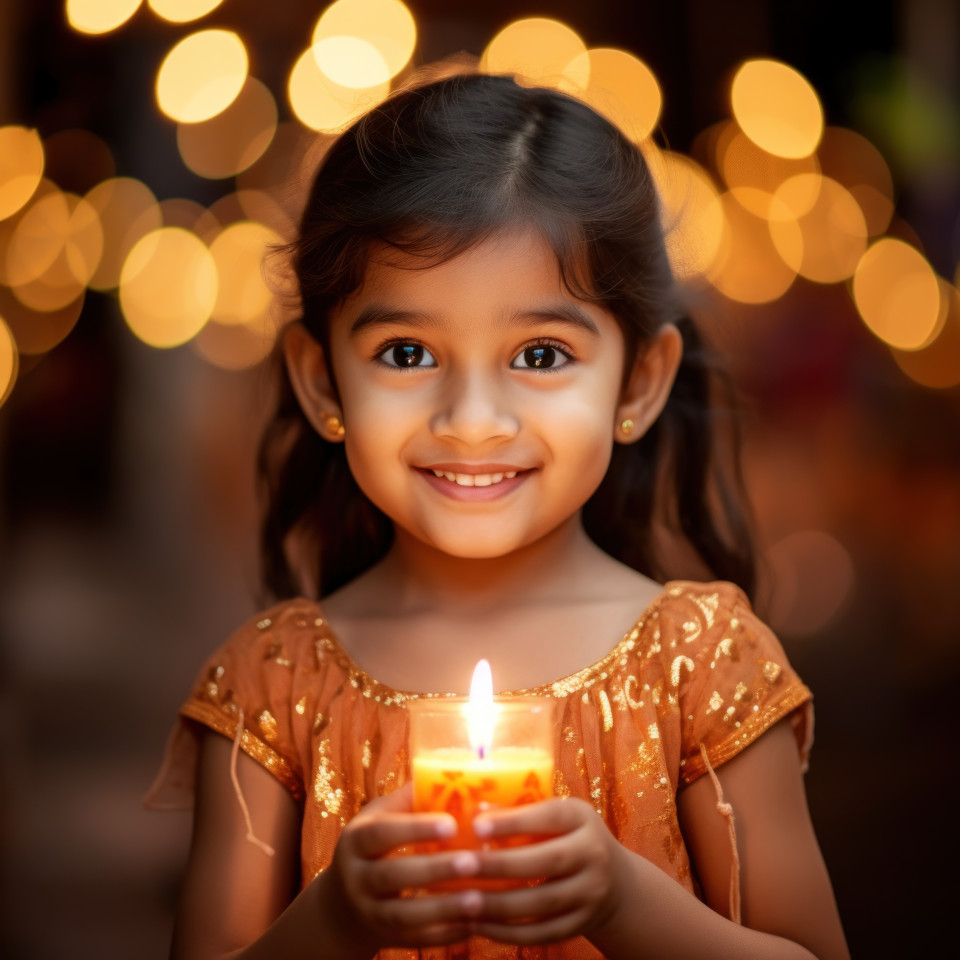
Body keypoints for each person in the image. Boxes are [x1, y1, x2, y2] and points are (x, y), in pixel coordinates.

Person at [146, 68, 850, 960]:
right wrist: (336, 920)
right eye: (406, 352)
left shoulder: (704, 667)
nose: (472, 420)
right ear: (323, 379)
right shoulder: (273, 688)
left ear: (638, 381)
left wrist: (626, 901)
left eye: (542, 354)